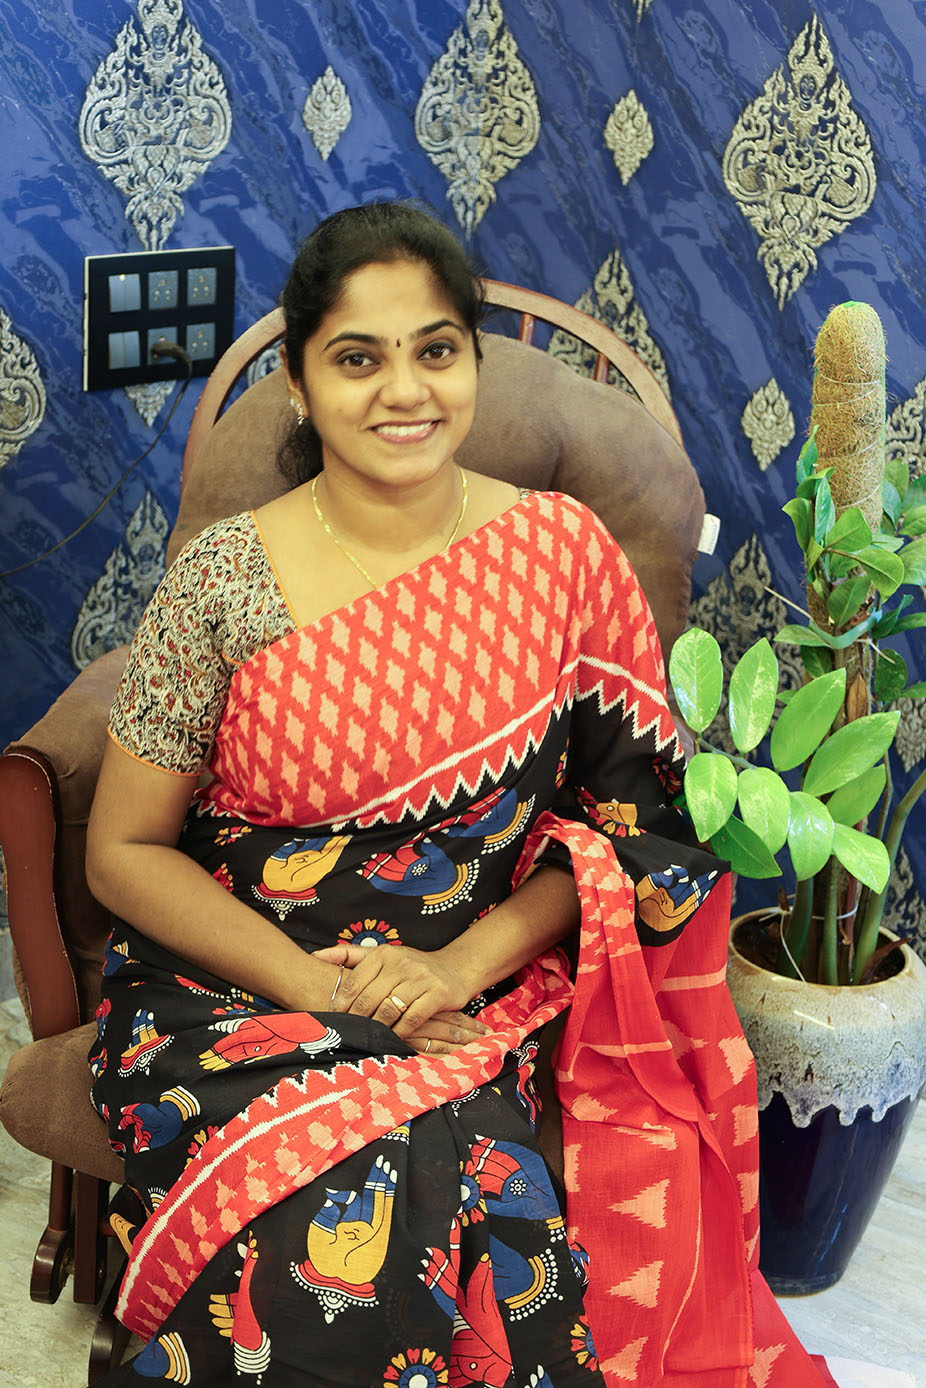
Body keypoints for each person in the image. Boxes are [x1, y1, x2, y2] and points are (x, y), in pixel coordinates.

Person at [86, 202, 827, 1388]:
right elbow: (122, 847)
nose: (404, 390)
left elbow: (635, 836)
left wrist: (453, 968)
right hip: (234, 979)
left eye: (434, 349)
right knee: (340, 1217)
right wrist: (319, 987)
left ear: (470, 359)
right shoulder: (221, 577)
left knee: (465, 1200)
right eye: (356, 358)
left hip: (472, 980)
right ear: (296, 384)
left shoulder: (563, 556)